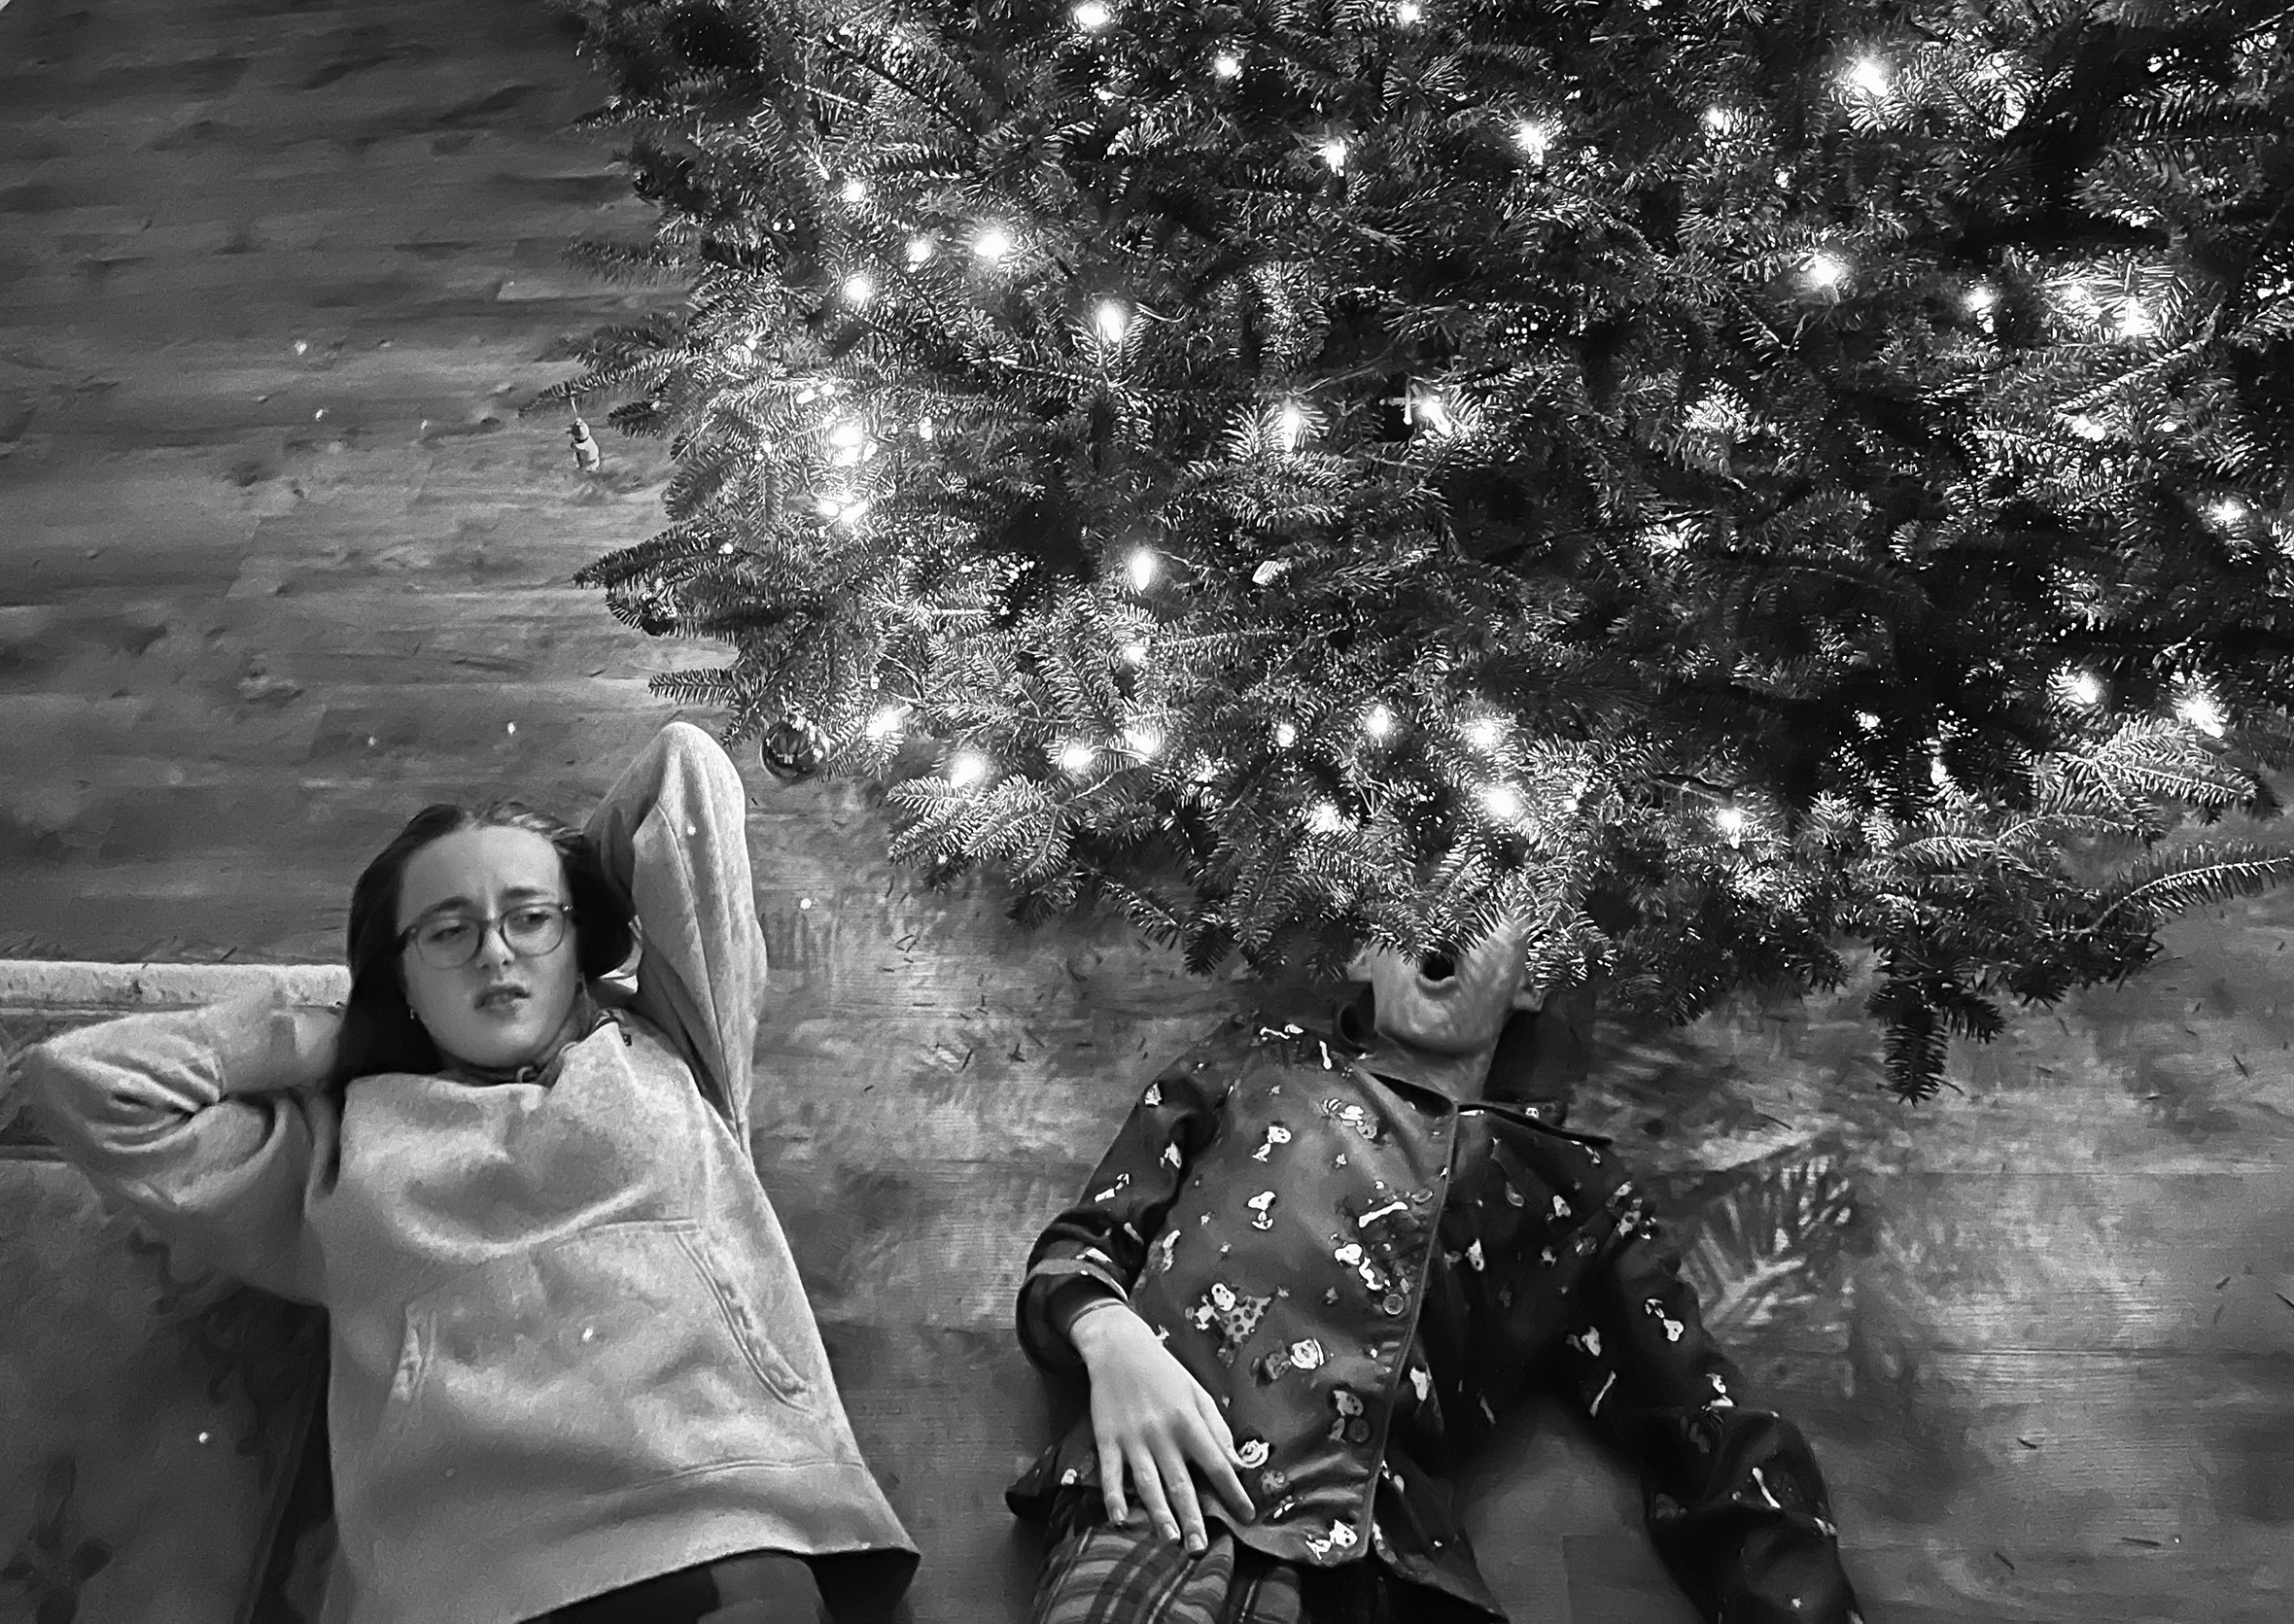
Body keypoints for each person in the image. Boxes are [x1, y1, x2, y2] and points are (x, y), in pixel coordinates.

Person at [17, 721, 918, 1624]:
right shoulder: (332, 1145)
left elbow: (686, 769)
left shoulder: (676, 1045)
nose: (494, 951)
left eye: (529, 918)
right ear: (399, 974)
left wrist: (576, 900)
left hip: (723, 1511)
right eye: (448, 930)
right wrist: (323, 1026)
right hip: (461, 1574)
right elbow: (87, 1085)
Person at [1006, 919, 1864, 1624]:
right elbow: (1088, 1236)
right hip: (1167, 1511)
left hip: (1395, 1575)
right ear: (1359, 955)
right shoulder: (1251, 1063)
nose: (1443, 912)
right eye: (1407, 890)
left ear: (1529, 981)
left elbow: (1708, 1427)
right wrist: (1106, 1332)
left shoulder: (1569, 1183)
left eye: (1484, 898)